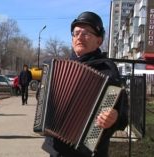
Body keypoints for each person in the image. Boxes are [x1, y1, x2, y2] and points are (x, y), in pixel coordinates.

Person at [42, 11, 128, 157]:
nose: (79, 37)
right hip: (57, 149)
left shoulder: (108, 70)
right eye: (76, 33)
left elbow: (123, 116)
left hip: (89, 150)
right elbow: (43, 100)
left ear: (99, 40)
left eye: (86, 33)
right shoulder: (58, 67)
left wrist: (114, 117)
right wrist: (42, 93)